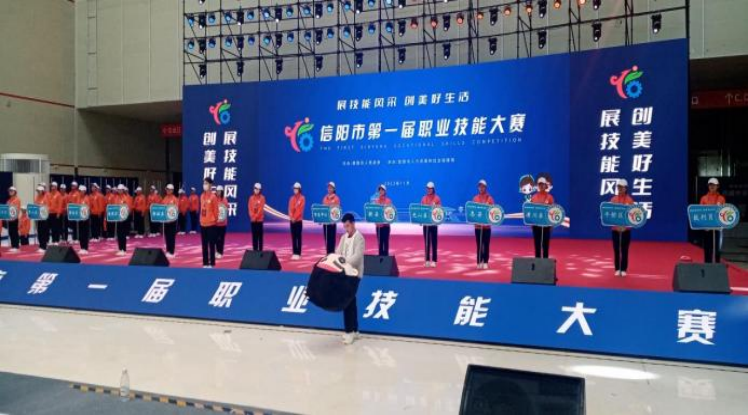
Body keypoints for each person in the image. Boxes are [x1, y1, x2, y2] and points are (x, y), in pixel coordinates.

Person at [335, 213, 365, 345]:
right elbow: (338, 252)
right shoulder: (343, 237)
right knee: (351, 301)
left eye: (348, 226)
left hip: (354, 274)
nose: (346, 229)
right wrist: (337, 260)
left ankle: (349, 332)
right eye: (344, 226)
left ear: (353, 224)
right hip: (344, 273)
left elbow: (357, 257)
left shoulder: (360, 238)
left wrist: (344, 262)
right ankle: (355, 330)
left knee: (347, 302)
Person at [610, 179, 635, 276]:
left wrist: (626, 227)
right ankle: (617, 268)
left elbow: (632, 216)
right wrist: (616, 226)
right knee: (616, 250)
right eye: (618, 187)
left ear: (625, 188)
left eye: (621, 187)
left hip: (626, 230)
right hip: (615, 230)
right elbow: (610, 215)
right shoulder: (613, 200)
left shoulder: (630, 200)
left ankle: (624, 269)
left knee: (625, 250)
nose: (619, 189)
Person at [700, 177, 727, 263]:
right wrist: (704, 225)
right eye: (710, 185)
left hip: (718, 228)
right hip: (707, 228)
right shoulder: (703, 198)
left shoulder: (721, 198)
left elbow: (724, 212)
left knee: (717, 248)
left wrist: (721, 225)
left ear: (717, 186)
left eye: (714, 185)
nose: (712, 186)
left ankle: (717, 265)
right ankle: (707, 265)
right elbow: (700, 213)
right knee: (707, 248)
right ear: (708, 186)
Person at [531, 176, 555, 258]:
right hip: (536, 225)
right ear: (538, 185)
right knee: (537, 245)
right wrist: (531, 223)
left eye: (543, 184)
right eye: (540, 184)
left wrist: (552, 224)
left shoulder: (550, 197)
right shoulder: (533, 197)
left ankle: (545, 263)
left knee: (545, 245)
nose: (541, 186)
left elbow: (553, 211)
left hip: (546, 225)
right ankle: (537, 262)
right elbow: (531, 211)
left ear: (546, 185)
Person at [473, 179, 495, 269]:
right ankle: (479, 261)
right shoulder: (475, 198)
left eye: (483, 186)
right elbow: (473, 212)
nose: (481, 188)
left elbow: (493, 211)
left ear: (485, 187)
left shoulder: (490, 198)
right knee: (479, 245)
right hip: (478, 227)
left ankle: (485, 262)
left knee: (486, 245)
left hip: (486, 227)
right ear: (478, 188)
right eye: (480, 186)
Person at [199, 178, 219, 268]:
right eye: (204, 183)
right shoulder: (201, 196)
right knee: (204, 244)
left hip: (211, 224)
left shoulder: (213, 197)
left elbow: (216, 211)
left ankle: (212, 263)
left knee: (211, 244)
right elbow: (202, 209)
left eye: (206, 183)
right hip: (203, 223)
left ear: (210, 185)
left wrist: (214, 220)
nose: (204, 185)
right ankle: (205, 263)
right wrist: (201, 219)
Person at [421, 181, 441, 268]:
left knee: (434, 242)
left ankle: (434, 260)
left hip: (434, 224)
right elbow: (421, 211)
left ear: (433, 189)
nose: (429, 190)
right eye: (427, 188)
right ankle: (427, 260)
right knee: (426, 242)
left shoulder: (437, 198)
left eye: (430, 188)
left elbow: (439, 211)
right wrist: (421, 220)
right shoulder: (423, 198)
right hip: (426, 224)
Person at [113, 184, 132, 256]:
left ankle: (123, 249)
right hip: (118, 219)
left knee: (123, 234)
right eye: (118, 190)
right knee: (119, 234)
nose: (119, 191)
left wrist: (124, 216)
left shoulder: (126, 198)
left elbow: (129, 209)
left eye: (121, 190)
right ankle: (120, 248)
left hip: (124, 219)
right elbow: (114, 208)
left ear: (123, 190)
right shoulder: (116, 198)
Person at [322, 181, 340, 254]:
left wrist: (334, 220)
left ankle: (332, 254)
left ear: (334, 189)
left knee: (331, 239)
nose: (329, 189)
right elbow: (323, 209)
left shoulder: (336, 198)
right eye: (328, 187)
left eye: (331, 187)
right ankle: (327, 254)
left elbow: (337, 210)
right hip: (325, 223)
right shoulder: (325, 198)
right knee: (326, 239)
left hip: (332, 223)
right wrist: (321, 219)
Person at [288, 182, 305, 260]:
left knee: (298, 236)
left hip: (298, 221)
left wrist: (295, 218)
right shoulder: (291, 198)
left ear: (299, 189)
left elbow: (300, 210)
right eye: (294, 188)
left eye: (296, 188)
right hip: (292, 221)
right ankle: (294, 252)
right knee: (293, 236)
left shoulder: (302, 198)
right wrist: (291, 217)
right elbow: (290, 209)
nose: (295, 190)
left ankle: (298, 253)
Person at [161, 184, 179, 258]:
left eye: (169, 189)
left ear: (172, 190)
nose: (168, 190)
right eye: (167, 189)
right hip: (166, 221)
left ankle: (172, 252)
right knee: (167, 236)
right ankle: (168, 251)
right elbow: (162, 208)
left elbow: (176, 210)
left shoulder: (175, 199)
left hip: (172, 221)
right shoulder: (164, 198)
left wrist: (171, 219)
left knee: (171, 236)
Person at [374, 184, 392, 256]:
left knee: (386, 242)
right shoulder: (376, 201)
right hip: (378, 226)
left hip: (386, 226)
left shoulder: (388, 201)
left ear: (385, 191)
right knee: (380, 243)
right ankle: (380, 259)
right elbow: (375, 213)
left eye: (382, 190)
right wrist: (376, 222)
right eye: (380, 190)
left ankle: (386, 259)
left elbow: (390, 213)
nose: (381, 191)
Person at [248, 183, 266, 251]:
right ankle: (255, 251)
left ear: (260, 190)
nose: (256, 190)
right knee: (254, 236)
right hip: (253, 221)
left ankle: (260, 251)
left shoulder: (262, 198)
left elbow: (261, 209)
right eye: (255, 188)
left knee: (260, 237)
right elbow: (249, 208)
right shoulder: (251, 198)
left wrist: (255, 217)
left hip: (259, 220)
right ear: (253, 189)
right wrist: (252, 216)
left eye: (258, 189)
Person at [33, 184, 50, 252]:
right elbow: (35, 206)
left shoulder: (45, 198)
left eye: (39, 191)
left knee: (43, 232)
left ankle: (44, 246)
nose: (38, 192)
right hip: (38, 218)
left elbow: (47, 208)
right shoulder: (37, 198)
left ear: (42, 191)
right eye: (37, 191)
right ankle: (41, 246)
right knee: (39, 232)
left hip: (44, 218)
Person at [6, 186, 21, 252]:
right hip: (9, 219)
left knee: (15, 232)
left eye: (11, 191)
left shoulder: (17, 199)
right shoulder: (8, 201)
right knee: (11, 232)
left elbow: (17, 209)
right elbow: (6, 209)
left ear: (15, 192)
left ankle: (16, 246)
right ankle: (13, 246)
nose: (10, 192)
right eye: (9, 191)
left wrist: (14, 217)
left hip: (14, 219)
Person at [215, 185, 229, 258]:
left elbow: (225, 210)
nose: (218, 192)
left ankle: (220, 252)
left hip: (223, 223)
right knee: (216, 238)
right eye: (217, 191)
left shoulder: (225, 200)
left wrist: (222, 218)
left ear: (222, 192)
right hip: (216, 223)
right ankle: (217, 251)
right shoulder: (214, 199)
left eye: (220, 191)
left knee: (221, 238)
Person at [77, 185, 91, 254]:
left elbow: (88, 208)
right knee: (81, 234)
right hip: (80, 219)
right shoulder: (78, 198)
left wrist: (85, 216)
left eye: (81, 191)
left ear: (84, 191)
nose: (80, 192)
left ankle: (85, 248)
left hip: (85, 219)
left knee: (85, 233)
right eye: (79, 191)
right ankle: (81, 247)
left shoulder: (87, 198)